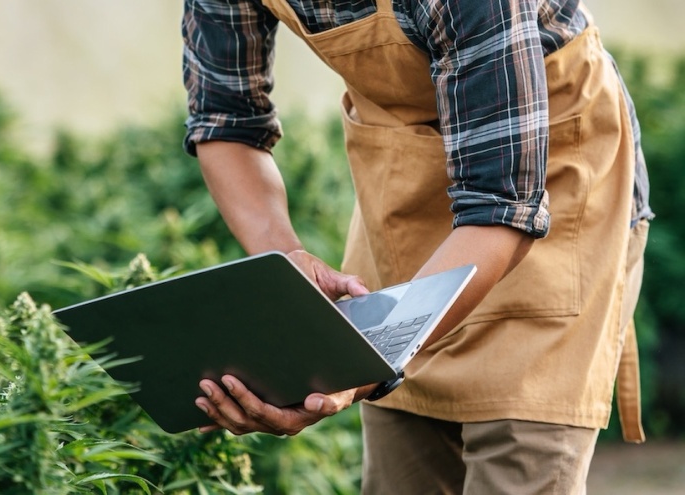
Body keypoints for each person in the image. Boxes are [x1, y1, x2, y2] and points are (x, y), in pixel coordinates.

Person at [181, 0, 654, 493]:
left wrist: (362, 363)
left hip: (550, 195)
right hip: (404, 200)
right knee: (404, 475)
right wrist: (285, 263)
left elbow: (502, 205)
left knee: (521, 465)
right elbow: (226, 120)